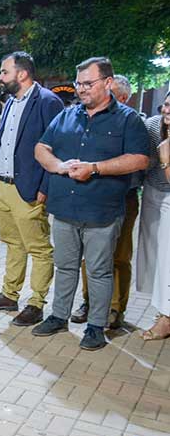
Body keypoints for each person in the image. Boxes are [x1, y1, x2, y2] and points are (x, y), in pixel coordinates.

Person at [33, 57, 149, 350]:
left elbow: (138, 159)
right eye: (79, 84)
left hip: (102, 210)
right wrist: (59, 166)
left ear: (108, 83)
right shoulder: (66, 115)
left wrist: (95, 168)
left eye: (88, 83)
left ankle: (96, 326)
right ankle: (59, 316)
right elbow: (41, 148)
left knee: (99, 270)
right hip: (64, 209)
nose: (81, 89)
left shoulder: (128, 119)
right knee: (65, 266)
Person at [0, 52, 63, 326]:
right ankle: (9, 295)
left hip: (28, 188)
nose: (0, 78)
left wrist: (45, 186)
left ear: (22, 74)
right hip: (2, 185)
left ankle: (36, 303)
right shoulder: (11, 102)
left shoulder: (48, 101)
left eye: (4, 72)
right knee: (13, 244)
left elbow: (56, 147)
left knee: (38, 248)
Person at [72, 75, 140, 328]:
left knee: (118, 256)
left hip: (123, 198)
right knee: (90, 256)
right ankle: (89, 302)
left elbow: (140, 163)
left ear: (121, 98)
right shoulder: (89, 122)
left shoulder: (133, 123)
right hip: (93, 197)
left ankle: (114, 309)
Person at [137, 92, 170, 340]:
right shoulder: (152, 125)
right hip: (152, 190)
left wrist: (166, 159)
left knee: (167, 258)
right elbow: (142, 162)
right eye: (166, 104)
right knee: (151, 253)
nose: (167, 111)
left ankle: (166, 318)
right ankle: (160, 309)